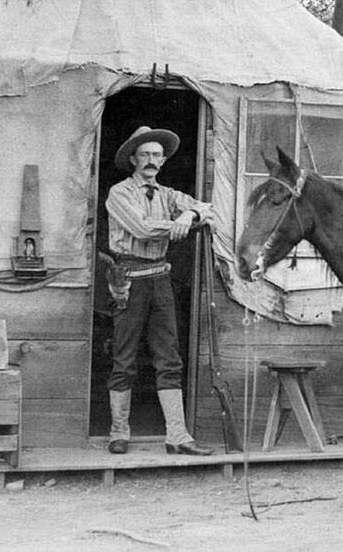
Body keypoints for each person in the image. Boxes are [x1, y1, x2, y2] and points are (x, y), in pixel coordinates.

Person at [104, 126, 215, 456]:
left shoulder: (169, 195)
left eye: (156, 155)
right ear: (133, 159)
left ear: (164, 160)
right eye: (144, 155)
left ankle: (177, 435)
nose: (151, 161)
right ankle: (118, 431)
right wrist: (178, 224)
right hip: (129, 281)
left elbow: (208, 209)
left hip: (160, 280)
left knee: (169, 357)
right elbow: (141, 227)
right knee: (124, 357)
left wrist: (192, 213)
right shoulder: (119, 193)